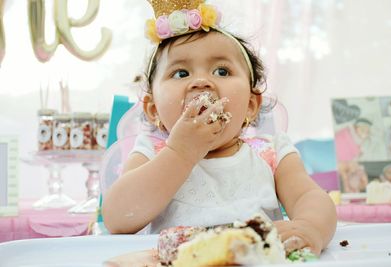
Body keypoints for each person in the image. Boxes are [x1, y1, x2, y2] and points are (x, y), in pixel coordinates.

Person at [102, 0, 336, 256]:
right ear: (153, 109)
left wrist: (309, 227)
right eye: (181, 73)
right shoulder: (152, 152)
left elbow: (309, 197)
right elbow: (118, 218)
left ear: (250, 105)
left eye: (222, 71)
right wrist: (180, 152)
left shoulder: (272, 153)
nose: (201, 81)